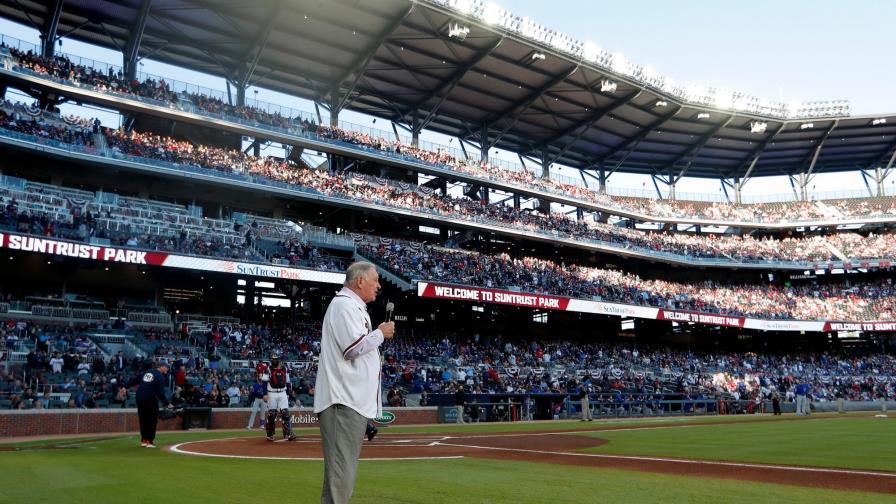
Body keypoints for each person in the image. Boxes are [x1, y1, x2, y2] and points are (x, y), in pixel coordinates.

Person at [314, 261, 395, 504]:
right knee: (341, 475)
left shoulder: (352, 306)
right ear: (360, 281)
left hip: (349, 400)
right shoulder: (344, 305)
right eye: (375, 280)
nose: (379, 286)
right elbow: (352, 348)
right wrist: (380, 333)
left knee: (340, 475)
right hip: (343, 401)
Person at [135, 361, 172, 448]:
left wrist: (125, 386)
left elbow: (135, 380)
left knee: (143, 419)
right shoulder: (160, 376)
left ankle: (144, 440)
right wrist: (167, 403)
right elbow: (160, 393)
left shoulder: (148, 372)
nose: (167, 369)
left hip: (139, 398)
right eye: (166, 367)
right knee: (152, 420)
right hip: (150, 399)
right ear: (161, 367)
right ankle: (149, 441)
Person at [264, 355, 296, 441]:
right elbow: (264, 381)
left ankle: (287, 433)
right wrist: (264, 394)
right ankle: (270, 434)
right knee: (272, 414)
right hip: (271, 393)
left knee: (285, 413)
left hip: (282, 393)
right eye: (273, 360)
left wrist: (289, 393)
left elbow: (288, 382)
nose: (274, 361)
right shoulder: (268, 369)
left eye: (276, 360)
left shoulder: (285, 369)